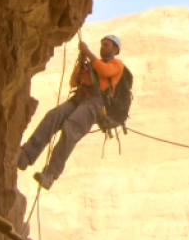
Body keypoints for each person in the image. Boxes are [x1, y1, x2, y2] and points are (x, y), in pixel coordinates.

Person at [17, 35, 125, 190]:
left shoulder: (116, 64)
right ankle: (26, 155)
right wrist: (81, 62)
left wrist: (87, 53)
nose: (102, 47)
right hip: (79, 99)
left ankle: (50, 175)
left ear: (115, 49)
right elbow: (73, 82)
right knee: (53, 117)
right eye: (101, 44)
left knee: (71, 128)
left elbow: (105, 71)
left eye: (106, 45)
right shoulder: (92, 65)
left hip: (95, 105)